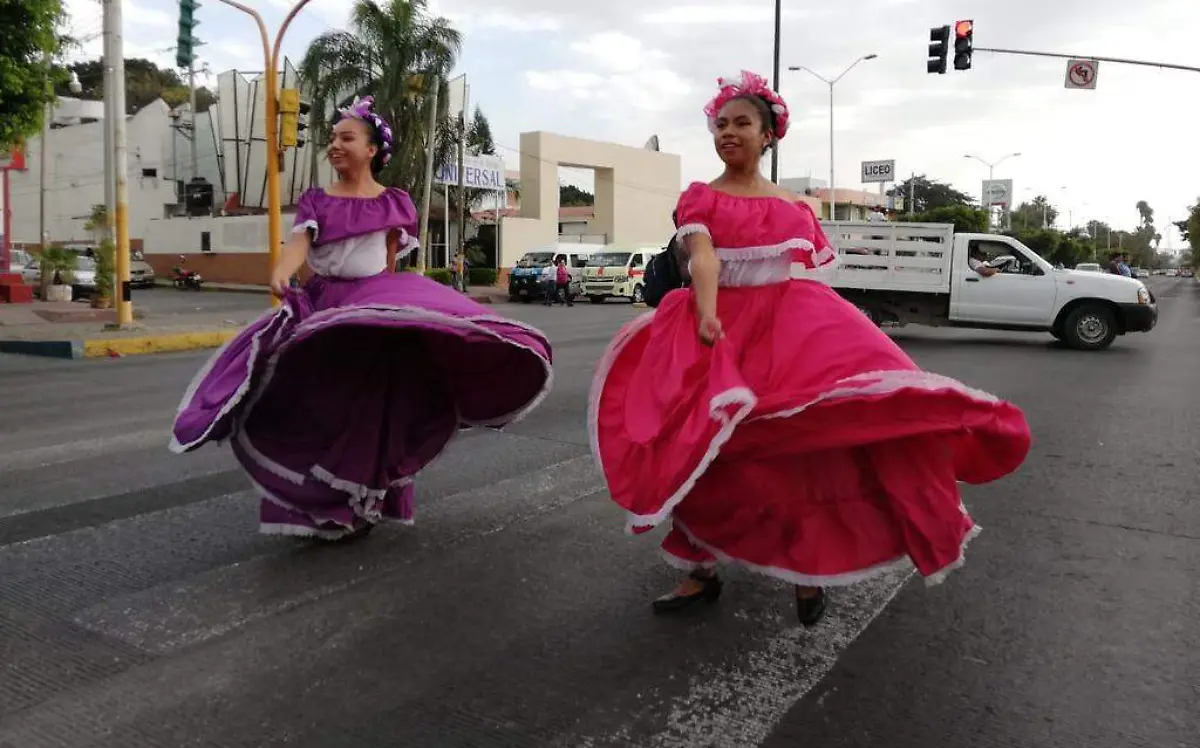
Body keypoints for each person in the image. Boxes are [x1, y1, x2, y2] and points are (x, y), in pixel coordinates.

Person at [588, 71, 1031, 627]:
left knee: (801, 453)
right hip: (715, 333)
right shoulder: (700, 196)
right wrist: (705, 312)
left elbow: (801, 278)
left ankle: (807, 572)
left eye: (742, 123)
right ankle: (700, 570)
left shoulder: (795, 207)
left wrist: (831, 344)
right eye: (720, 124)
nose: (728, 133)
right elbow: (703, 257)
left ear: (768, 134)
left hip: (782, 333)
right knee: (702, 451)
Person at [169, 96, 553, 541]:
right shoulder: (316, 200)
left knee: (373, 414)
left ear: (372, 149)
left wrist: (393, 316)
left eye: (346, 137)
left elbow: (389, 267)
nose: (335, 145)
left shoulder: (395, 203)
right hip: (324, 313)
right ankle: (319, 503)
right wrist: (281, 269)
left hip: (372, 316)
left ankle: (361, 501)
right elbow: (298, 246)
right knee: (312, 408)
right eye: (332, 138)